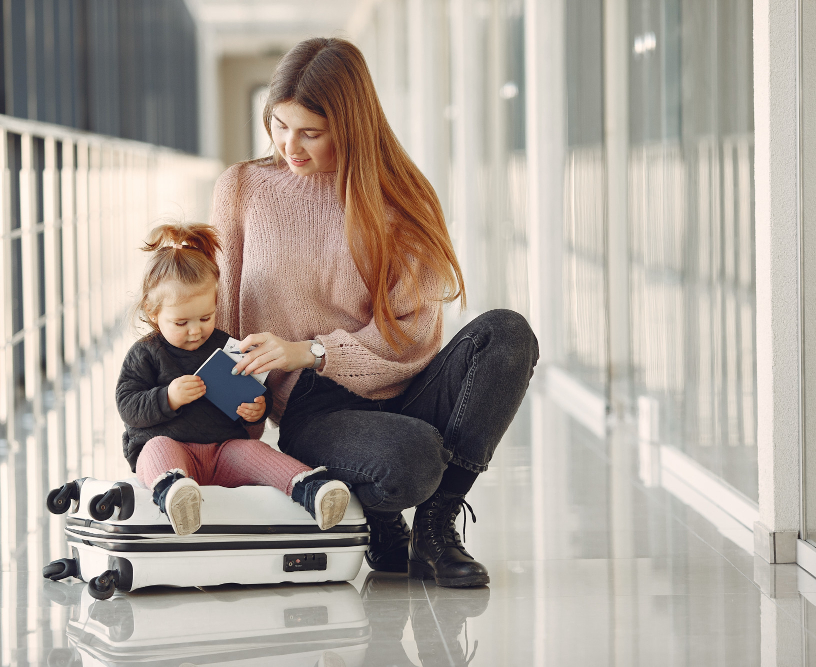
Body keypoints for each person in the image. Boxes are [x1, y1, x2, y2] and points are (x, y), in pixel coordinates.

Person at [212, 37, 539, 587]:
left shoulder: (401, 199)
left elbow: (412, 339)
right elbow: (221, 319)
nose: (290, 145)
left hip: (403, 383)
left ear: (352, 125)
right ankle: (384, 516)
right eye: (279, 124)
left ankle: (436, 527)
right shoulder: (242, 189)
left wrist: (313, 350)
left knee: (508, 334)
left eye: (311, 133)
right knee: (412, 461)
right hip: (313, 409)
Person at [115, 222, 351, 536]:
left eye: (205, 317)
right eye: (181, 322)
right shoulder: (146, 353)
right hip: (173, 449)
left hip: (223, 450)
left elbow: (255, 388)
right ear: (153, 311)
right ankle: (174, 494)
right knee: (156, 448)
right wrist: (167, 397)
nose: (196, 330)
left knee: (255, 452)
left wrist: (258, 407)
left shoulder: (226, 346)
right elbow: (127, 405)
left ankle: (311, 488)